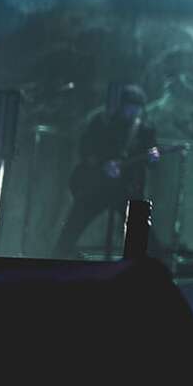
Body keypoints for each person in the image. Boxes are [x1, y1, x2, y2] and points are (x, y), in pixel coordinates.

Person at [54, 84, 159, 258]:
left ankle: (147, 265)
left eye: (137, 108)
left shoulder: (145, 129)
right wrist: (103, 164)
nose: (133, 112)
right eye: (129, 107)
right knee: (74, 225)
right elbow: (86, 150)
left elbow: (150, 159)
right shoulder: (102, 122)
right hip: (99, 185)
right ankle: (58, 256)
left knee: (140, 228)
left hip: (128, 188)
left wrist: (153, 158)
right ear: (121, 105)